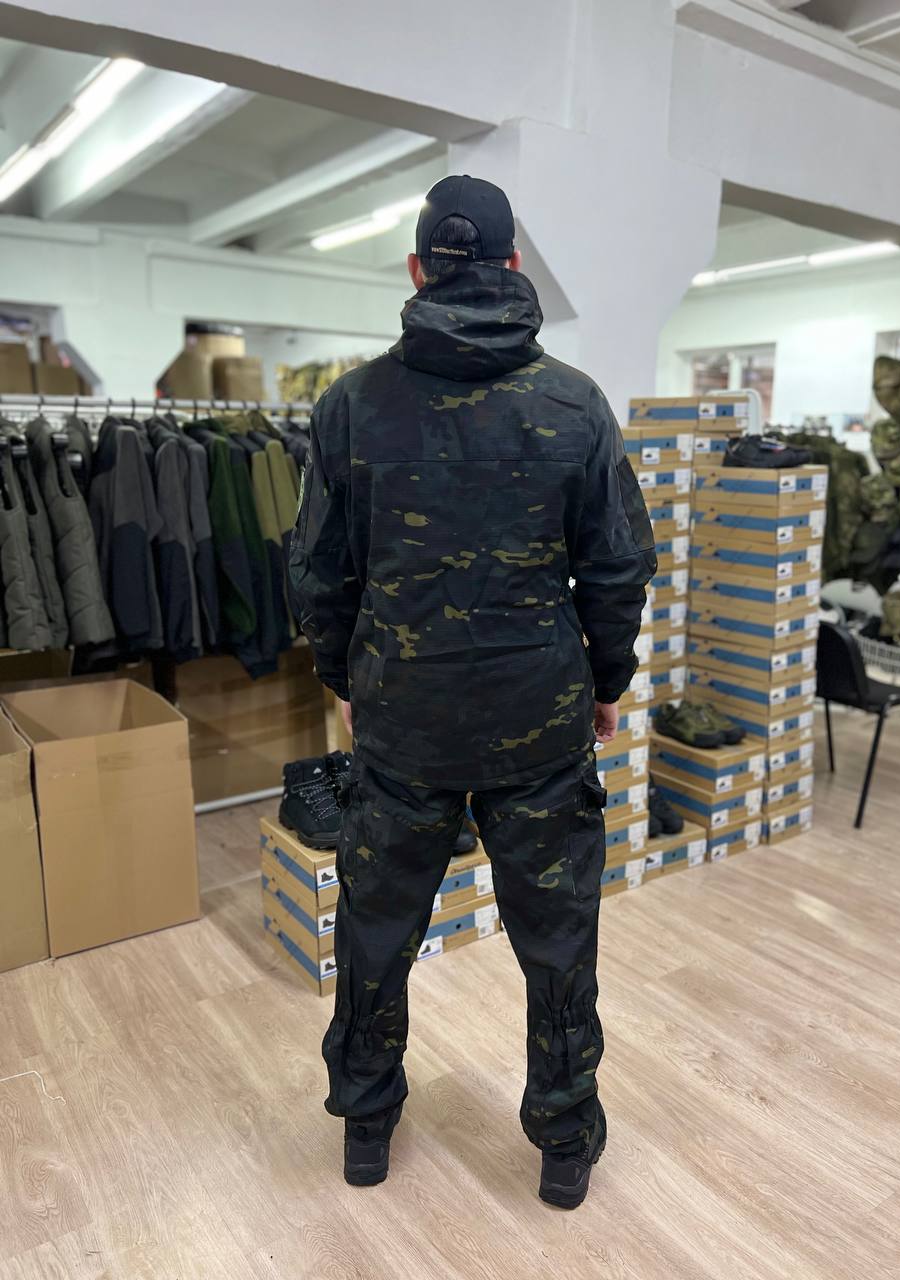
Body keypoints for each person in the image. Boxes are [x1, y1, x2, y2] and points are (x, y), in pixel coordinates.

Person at [289, 175, 656, 1209]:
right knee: (557, 938)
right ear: (512, 266)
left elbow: (317, 571)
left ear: (417, 269)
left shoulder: (352, 406)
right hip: (538, 716)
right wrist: (607, 681)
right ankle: (563, 1144)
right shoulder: (575, 403)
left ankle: (366, 1126)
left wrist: (344, 678)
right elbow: (619, 565)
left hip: (402, 717)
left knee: (377, 929)